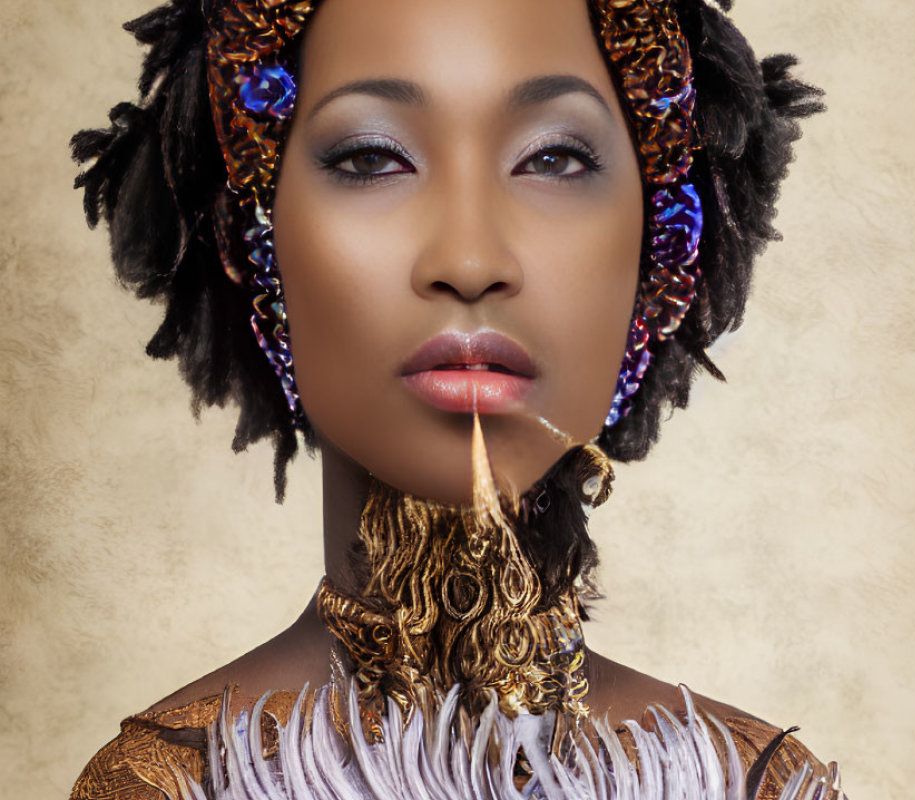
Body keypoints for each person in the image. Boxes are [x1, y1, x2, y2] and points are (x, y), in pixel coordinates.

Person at [67, 0, 839, 797]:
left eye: (556, 158)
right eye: (370, 158)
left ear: (662, 249)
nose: (469, 260)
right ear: (253, 241)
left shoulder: (753, 784)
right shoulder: (169, 784)